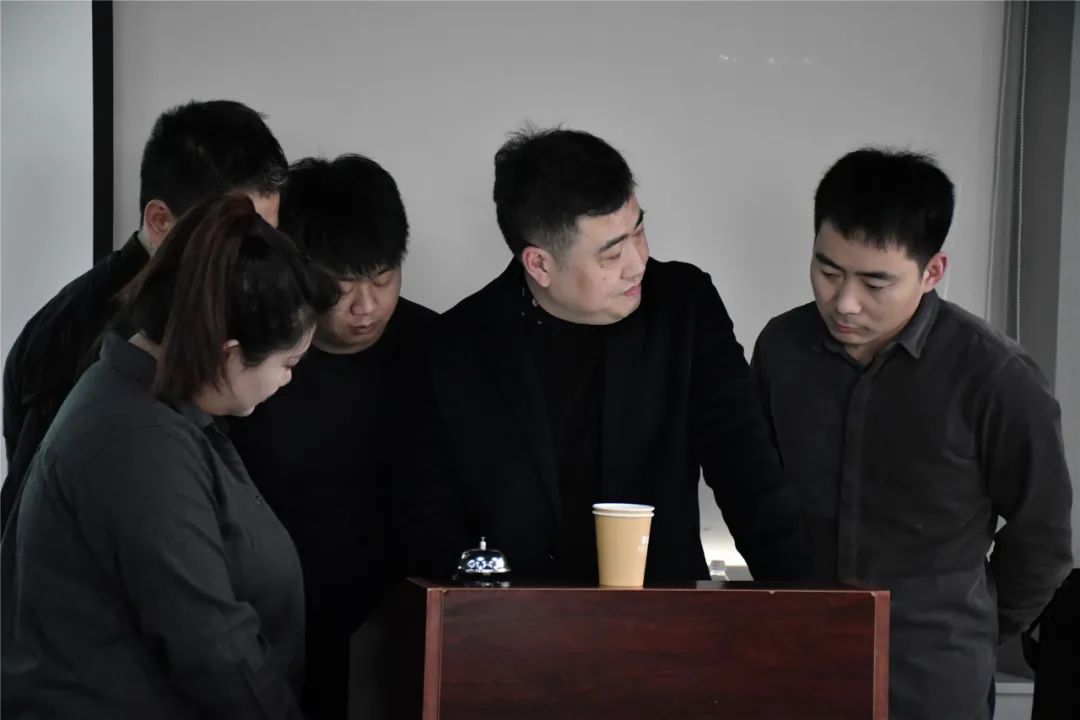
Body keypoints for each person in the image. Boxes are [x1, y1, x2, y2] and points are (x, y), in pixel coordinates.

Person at [398, 126, 806, 584]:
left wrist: (804, 604)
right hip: (515, 619)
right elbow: (432, 525)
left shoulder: (683, 307)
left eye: (639, 231)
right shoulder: (456, 347)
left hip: (664, 613)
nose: (638, 264)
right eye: (612, 255)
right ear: (540, 264)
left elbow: (747, 471)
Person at [751, 148, 1073, 720]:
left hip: (933, 672)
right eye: (828, 271)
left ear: (932, 272)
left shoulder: (994, 375)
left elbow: (1042, 536)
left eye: (875, 282)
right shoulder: (782, 348)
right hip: (797, 654)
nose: (844, 303)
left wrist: (970, 626)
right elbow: (756, 486)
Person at [1, 192, 338, 719]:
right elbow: (213, 647)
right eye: (288, 364)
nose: (287, 381)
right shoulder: (139, 443)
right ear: (229, 354)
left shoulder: (145, 403)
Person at [1, 99, 287, 529]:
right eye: (238, 236)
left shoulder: (185, 305)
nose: (261, 257)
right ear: (160, 220)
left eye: (269, 234)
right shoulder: (89, 339)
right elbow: (33, 527)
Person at [229, 154, 435, 719]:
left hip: (405, 637)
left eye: (383, 279)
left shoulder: (441, 351)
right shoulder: (249, 366)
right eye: (340, 288)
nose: (366, 306)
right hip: (273, 636)